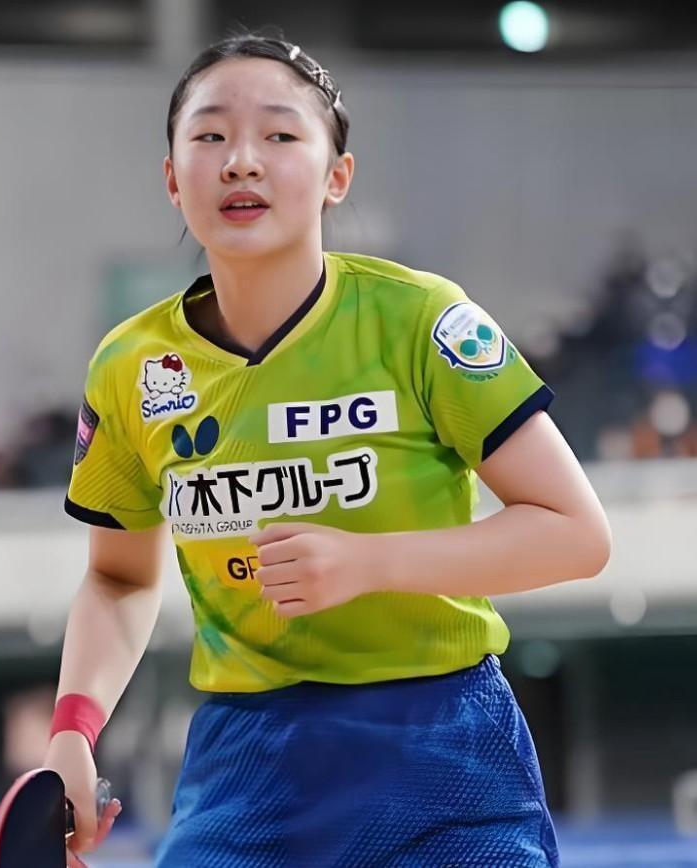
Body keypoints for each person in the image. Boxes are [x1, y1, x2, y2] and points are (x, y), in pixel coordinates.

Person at [46, 33, 611, 867]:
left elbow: (575, 533)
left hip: (442, 753)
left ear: (335, 176)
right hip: (247, 768)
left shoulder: (419, 320)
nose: (241, 160)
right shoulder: (130, 366)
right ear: (171, 178)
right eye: (209, 135)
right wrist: (72, 730)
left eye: (279, 134)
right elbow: (119, 577)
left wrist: (367, 563)